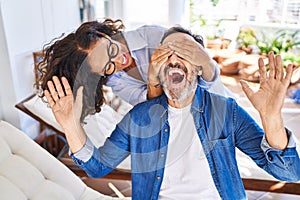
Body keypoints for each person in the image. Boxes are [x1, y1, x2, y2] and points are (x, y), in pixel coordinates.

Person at [43, 27, 300, 199]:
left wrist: (272, 117)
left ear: (198, 69)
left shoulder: (226, 112)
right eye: (168, 57)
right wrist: (70, 124)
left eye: (184, 56)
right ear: (156, 69)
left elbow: (289, 174)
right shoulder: (138, 119)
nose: (174, 61)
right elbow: (97, 168)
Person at [38, 18, 219, 122]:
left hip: (214, 103)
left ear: (104, 35)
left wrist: (205, 61)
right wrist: (153, 76)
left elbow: (201, 83)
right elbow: (153, 109)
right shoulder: (115, 81)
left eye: (111, 50)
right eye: (108, 66)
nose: (119, 60)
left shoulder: (152, 37)